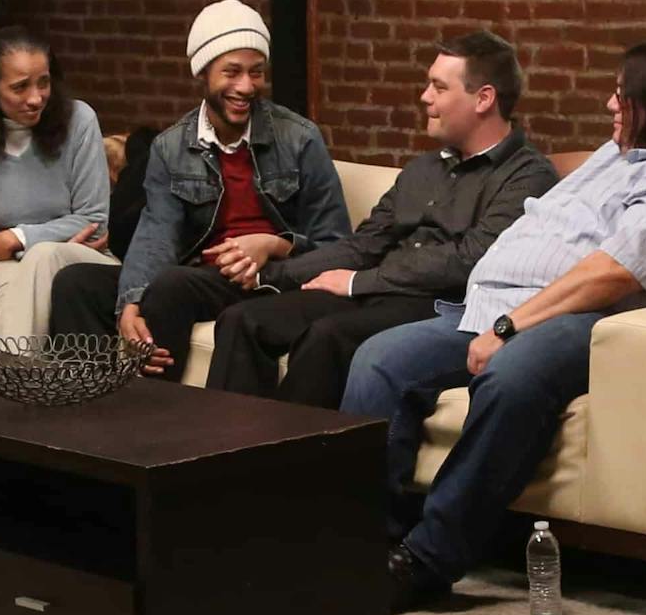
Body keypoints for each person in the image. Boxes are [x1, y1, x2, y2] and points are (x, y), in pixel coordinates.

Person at [350, 38, 646, 611]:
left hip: (589, 322)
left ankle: (427, 559)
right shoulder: (620, 155)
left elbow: (609, 274)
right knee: (379, 359)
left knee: (513, 376)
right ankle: (369, 543)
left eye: (624, 94)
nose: (611, 105)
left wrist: (511, 326)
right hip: (496, 307)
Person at [209, 29, 558, 408]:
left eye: (438, 88)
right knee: (243, 320)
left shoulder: (527, 176)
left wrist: (359, 283)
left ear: (484, 98)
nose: (425, 97)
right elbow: (365, 244)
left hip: (437, 305)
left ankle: (285, 464)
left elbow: (468, 259)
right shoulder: (424, 168)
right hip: (377, 290)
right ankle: (222, 458)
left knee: (328, 336)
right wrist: (269, 275)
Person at [58, 0, 352, 378]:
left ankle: (156, 420)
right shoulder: (171, 146)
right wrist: (128, 305)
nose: (246, 86)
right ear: (203, 73)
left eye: (256, 72)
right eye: (231, 72)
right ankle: (84, 412)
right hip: (201, 277)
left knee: (172, 285)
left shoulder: (299, 138)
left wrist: (275, 244)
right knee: (75, 283)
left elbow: (339, 246)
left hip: (269, 282)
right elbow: (156, 237)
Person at [0, 28, 117, 340]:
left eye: (43, 82)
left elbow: (94, 224)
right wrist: (49, 242)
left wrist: (13, 238)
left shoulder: (80, 120)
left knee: (46, 259)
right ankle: (59, 386)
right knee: (46, 280)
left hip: (80, 260)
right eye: (20, 87)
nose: (36, 98)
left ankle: (10, 382)